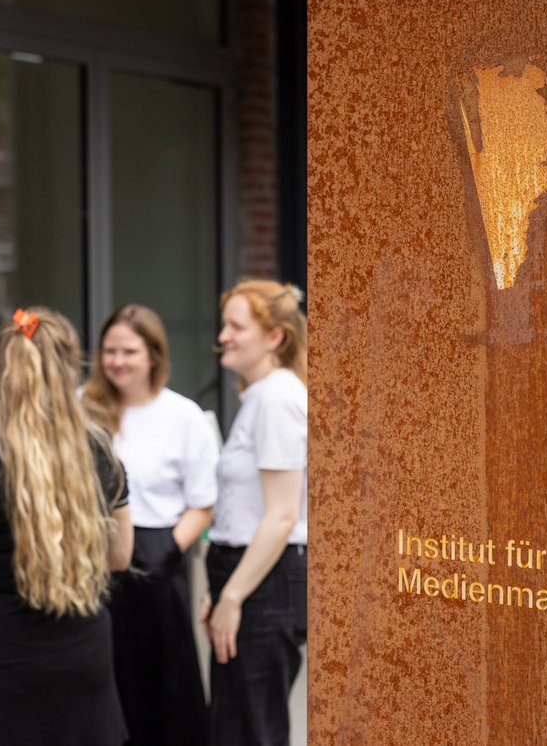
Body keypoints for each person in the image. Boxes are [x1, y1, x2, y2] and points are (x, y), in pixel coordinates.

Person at [0, 307, 134, 746]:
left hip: (0, 662)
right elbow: (119, 557)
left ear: (1, 376)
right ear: (69, 372)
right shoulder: (102, 455)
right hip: (82, 657)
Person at [82, 304, 217, 746]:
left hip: (159, 559)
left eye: (129, 351)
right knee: (101, 675)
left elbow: (204, 503)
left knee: (164, 681)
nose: (117, 361)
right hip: (92, 557)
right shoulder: (82, 406)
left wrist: (167, 551)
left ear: (154, 355)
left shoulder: (184, 416)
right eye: (110, 350)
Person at [201, 279, 307, 746]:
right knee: (237, 723)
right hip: (248, 574)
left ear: (275, 338)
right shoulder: (260, 397)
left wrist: (232, 597)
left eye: (236, 326)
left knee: (253, 728)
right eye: (224, 324)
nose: (222, 335)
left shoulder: (278, 399)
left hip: (267, 580)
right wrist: (222, 590)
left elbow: (282, 515)